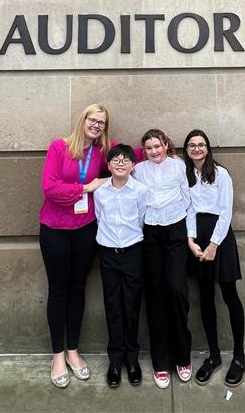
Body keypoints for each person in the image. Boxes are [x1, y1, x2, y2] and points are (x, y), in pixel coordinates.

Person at [39, 103, 111, 388]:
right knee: (58, 289)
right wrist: (86, 188)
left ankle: (73, 350)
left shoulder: (102, 150)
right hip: (55, 229)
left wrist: (161, 145)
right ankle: (57, 355)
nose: (96, 125)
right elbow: (49, 187)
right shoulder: (59, 147)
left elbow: (132, 155)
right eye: (92, 120)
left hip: (85, 229)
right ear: (83, 120)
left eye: (102, 122)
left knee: (78, 288)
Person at [183, 129, 245, 387]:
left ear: (208, 148)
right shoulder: (185, 175)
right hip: (196, 237)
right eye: (191, 145)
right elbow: (187, 208)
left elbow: (225, 211)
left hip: (219, 238)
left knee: (230, 296)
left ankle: (240, 356)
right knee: (205, 297)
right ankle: (214, 355)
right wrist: (190, 240)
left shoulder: (221, 174)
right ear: (186, 150)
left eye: (201, 145)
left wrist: (213, 245)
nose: (196, 148)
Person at [133, 128, 194, 389]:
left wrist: (190, 236)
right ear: (144, 150)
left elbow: (189, 200)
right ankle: (161, 361)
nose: (154, 151)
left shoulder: (179, 166)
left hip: (176, 230)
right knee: (155, 293)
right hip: (150, 233)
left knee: (177, 291)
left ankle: (183, 356)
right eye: (149, 148)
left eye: (157, 146)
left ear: (166, 145)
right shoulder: (138, 169)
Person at [94, 144, 148, 388]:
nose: (120, 163)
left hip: (133, 252)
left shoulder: (140, 191)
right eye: (116, 159)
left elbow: (141, 219)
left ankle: (132, 359)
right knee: (113, 305)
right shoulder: (101, 192)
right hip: (107, 253)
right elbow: (98, 217)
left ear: (133, 165)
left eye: (126, 160)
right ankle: (115, 360)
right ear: (108, 165)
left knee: (132, 305)